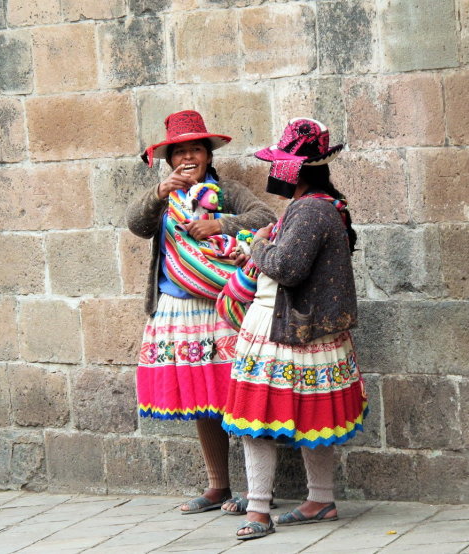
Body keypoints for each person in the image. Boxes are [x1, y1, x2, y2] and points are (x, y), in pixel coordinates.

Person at [220, 118, 368, 539]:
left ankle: (259, 511)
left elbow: (286, 268)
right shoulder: (327, 206)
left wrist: (256, 243)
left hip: (283, 329)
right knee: (313, 421)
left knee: (257, 421)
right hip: (309, 331)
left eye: (279, 165)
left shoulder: (309, 210)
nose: (274, 172)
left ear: (295, 170)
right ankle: (319, 500)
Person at [126, 110, 276, 514]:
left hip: (222, 304)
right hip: (176, 306)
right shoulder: (163, 197)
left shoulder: (225, 190)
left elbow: (265, 218)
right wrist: (158, 194)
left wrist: (220, 224)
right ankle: (218, 486)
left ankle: (257, 490)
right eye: (180, 152)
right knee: (201, 396)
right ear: (169, 160)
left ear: (209, 156)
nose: (188, 158)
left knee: (239, 392)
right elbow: (136, 226)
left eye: (196, 150)